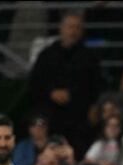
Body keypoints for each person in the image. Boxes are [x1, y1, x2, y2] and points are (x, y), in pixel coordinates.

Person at [28, 11, 102, 155]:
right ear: (61, 29)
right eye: (70, 27)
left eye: (77, 28)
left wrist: (75, 96)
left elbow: (96, 85)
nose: (73, 32)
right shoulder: (46, 55)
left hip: (79, 109)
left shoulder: (90, 57)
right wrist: (51, 93)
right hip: (49, 107)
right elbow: (35, 83)